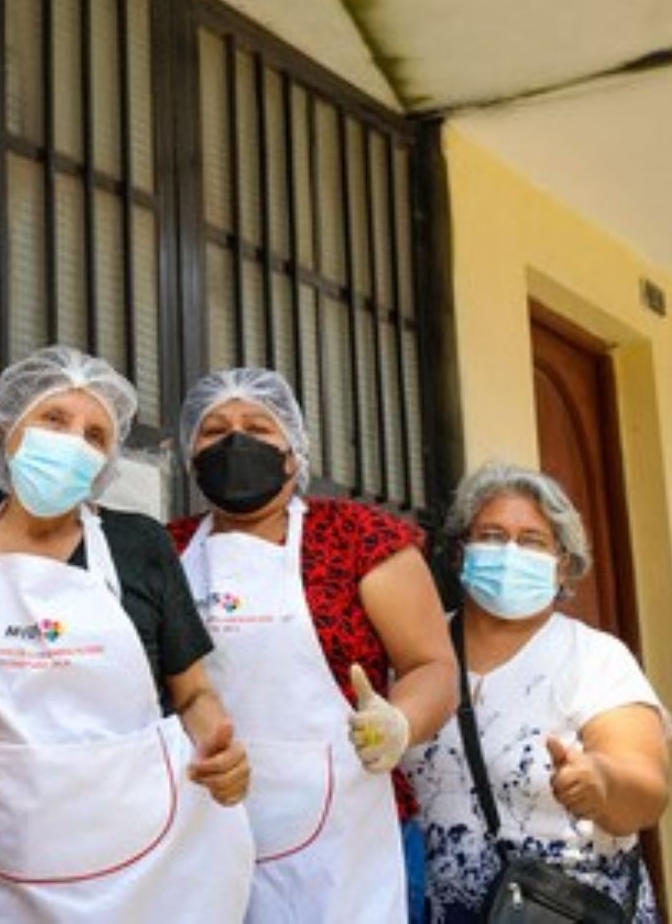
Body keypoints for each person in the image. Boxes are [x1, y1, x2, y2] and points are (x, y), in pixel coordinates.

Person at [0, 346, 254, 920]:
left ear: (105, 463)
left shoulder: (139, 545)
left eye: (95, 435)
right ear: (7, 429)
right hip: (1, 864)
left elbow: (194, 692)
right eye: (55, 420)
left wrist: (215, 745)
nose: (73, 442)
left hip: (146, 863)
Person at [167, 366, 458, 923]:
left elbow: (432, 665)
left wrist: (400, 723)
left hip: (348, 838)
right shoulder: (164, 550)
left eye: (258, 425)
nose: (235, 441)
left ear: (294, 453)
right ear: (189, 454)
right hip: (202, 822)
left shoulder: (357, 536)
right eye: (213, 430)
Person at [401, 463, 672, 923]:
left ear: (562, 564)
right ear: (460, 553)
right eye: (490, 535)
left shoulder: (594, 658)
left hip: (566, 909)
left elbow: (646, 792)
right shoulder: (419, 651)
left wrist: (602, 782)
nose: (509, 552)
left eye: (531, 541)